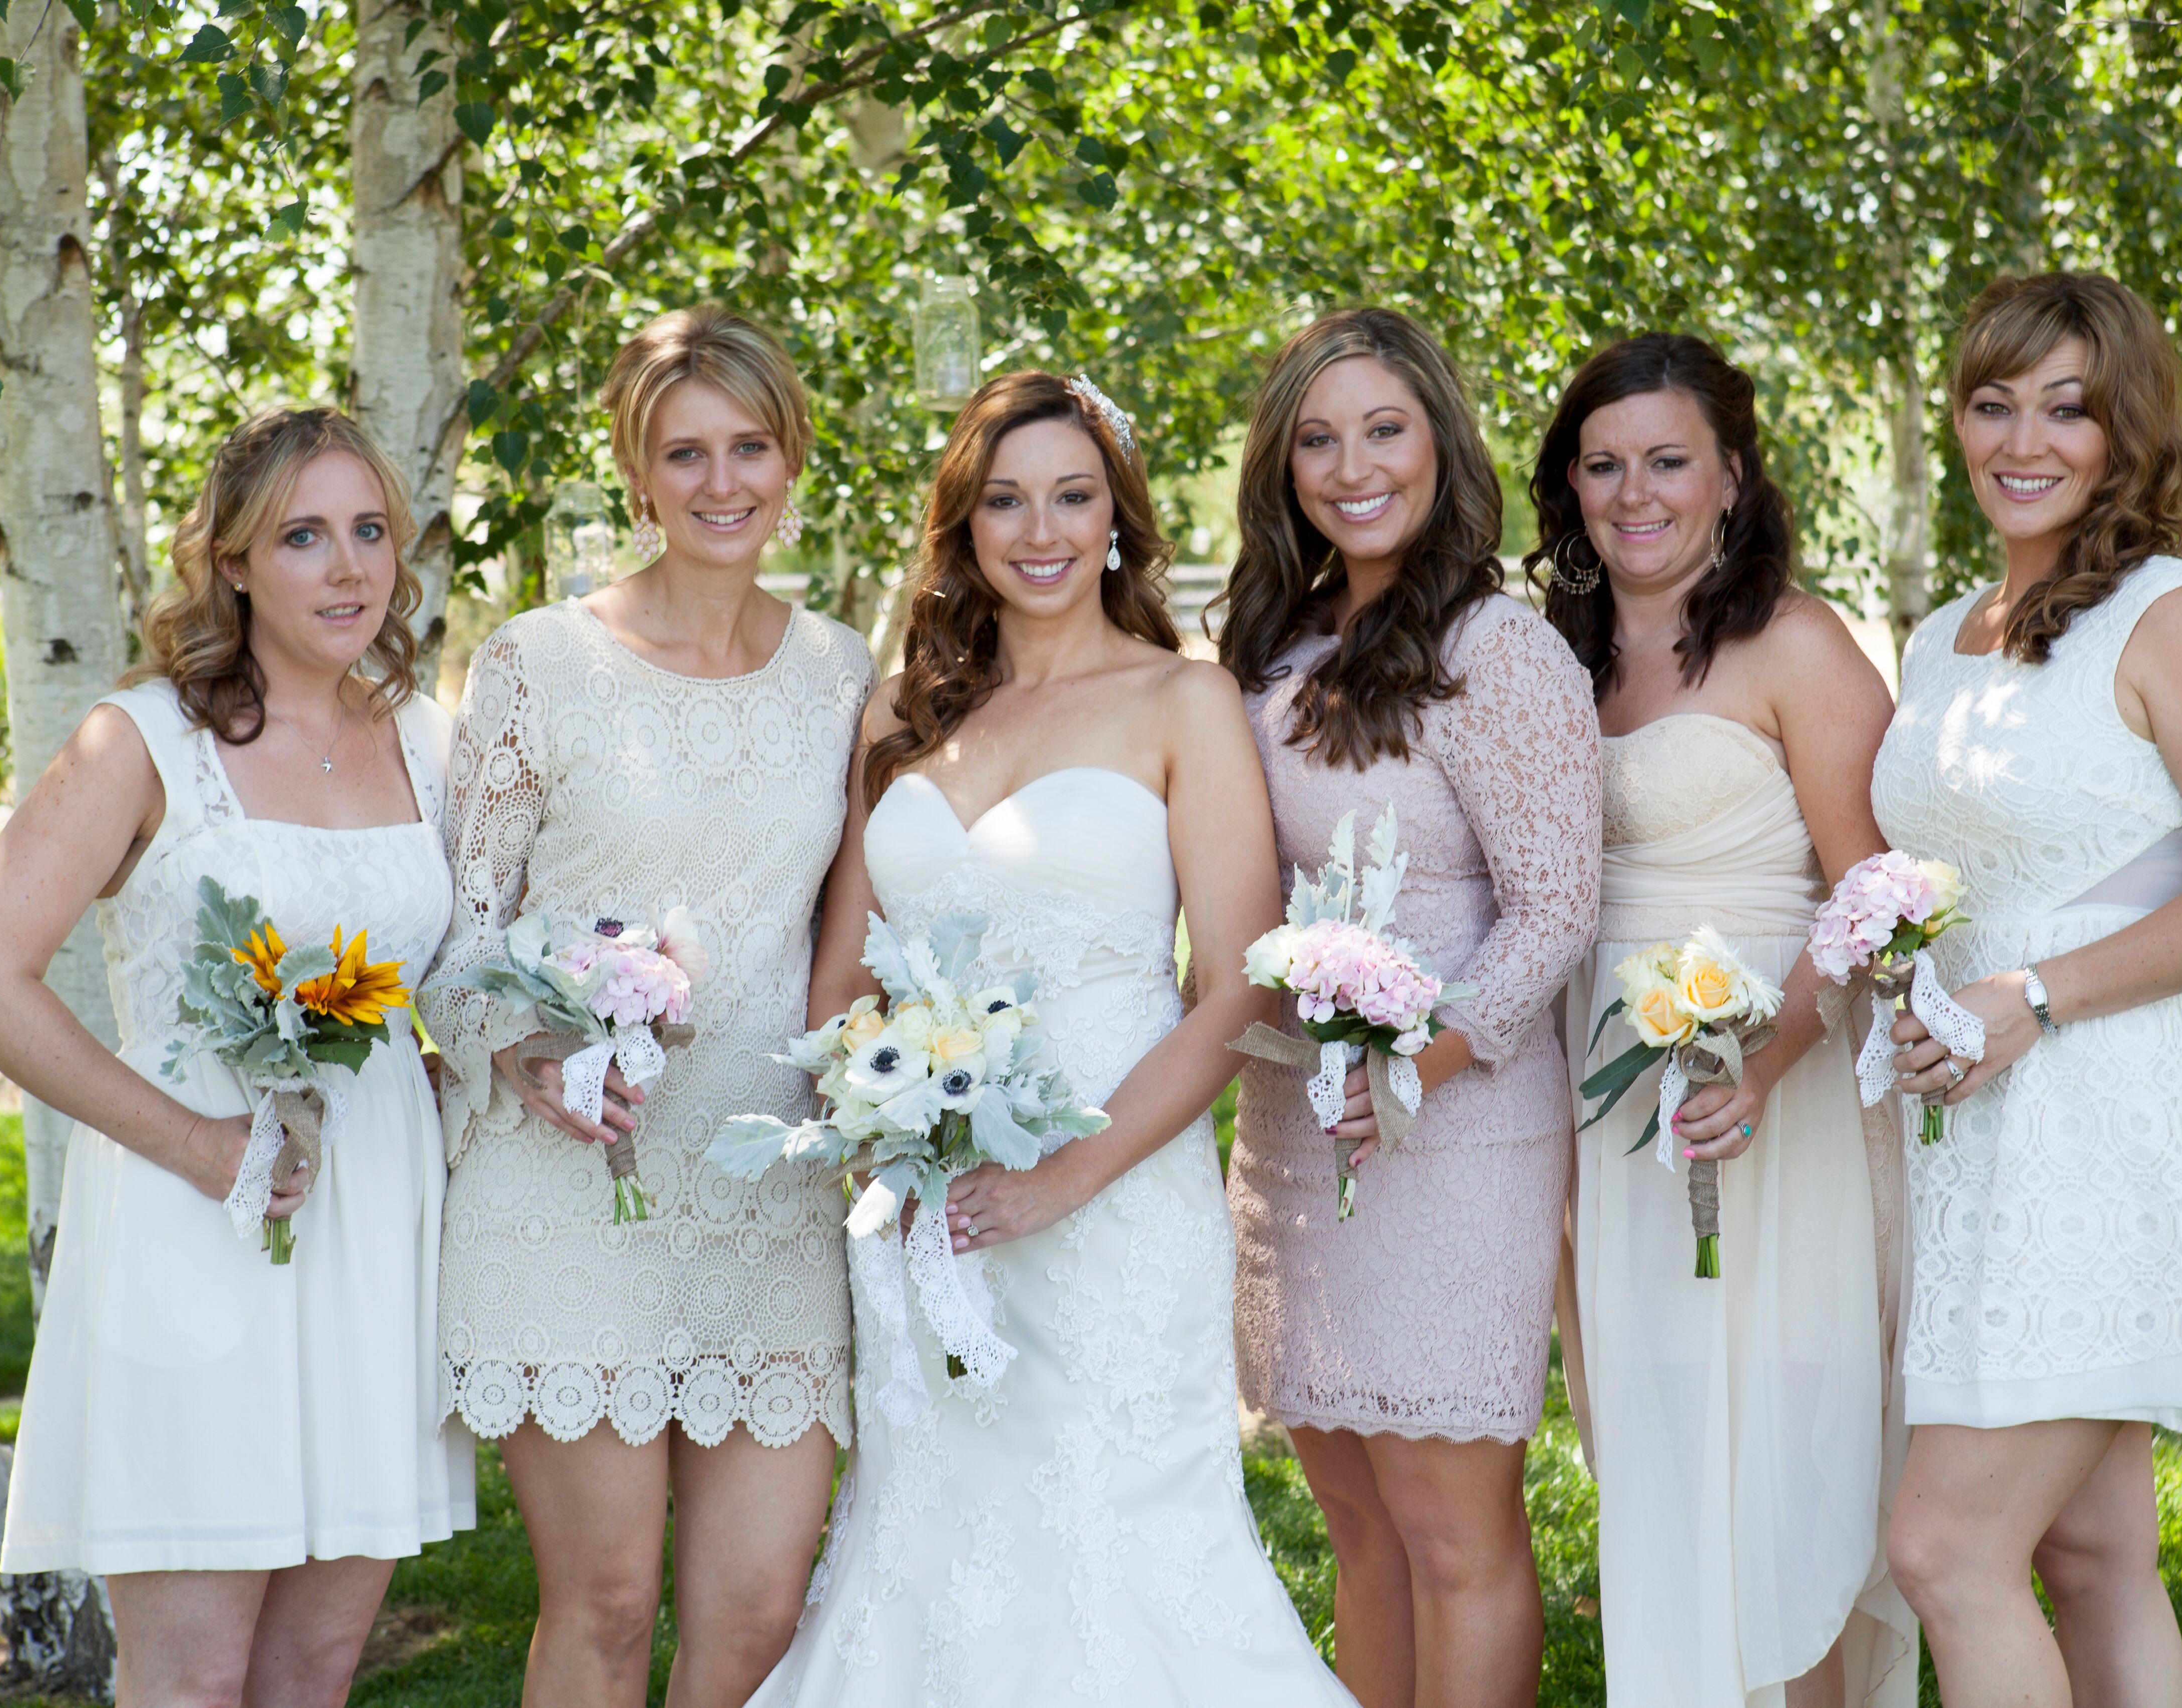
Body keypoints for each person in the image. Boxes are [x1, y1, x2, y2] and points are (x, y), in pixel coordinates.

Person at [748, 370, 1352, 1707]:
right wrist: (881, 1142)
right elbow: (841, 977)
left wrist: (1064, 1178)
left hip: (1115, 1206)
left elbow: (1238, 986)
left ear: (1119, 519)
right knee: (937, 1536)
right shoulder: (905, 711)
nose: (1041, 531)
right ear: (963, 528)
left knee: (1121, 1550)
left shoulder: (1181, 703)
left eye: (1073, 497)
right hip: (927, 1208)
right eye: (1006, 502)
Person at [0, 407, 471, 1705]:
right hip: (199, 1226)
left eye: (369, 533)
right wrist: (199, 1146)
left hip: (375, 1239)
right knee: (195, 1682)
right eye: (302, 537)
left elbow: (457, 974)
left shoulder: (426, 742)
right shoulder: (144, 740)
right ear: (231, 562)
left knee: (313, 1674)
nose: (348, 570)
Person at [1871, 272, 2182, 1708]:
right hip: (1968, 1136)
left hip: (2097, 1122)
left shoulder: (2175, 617)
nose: (2024, 439)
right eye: (1992, 401)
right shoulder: (1945, 633)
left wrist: (2034, 998)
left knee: (1945, 1550)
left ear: (2127, 429)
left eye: (2067, 408)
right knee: (2092, 1551)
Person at [417, 305, 872, 1708]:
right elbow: (455, 931)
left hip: (769, 1194)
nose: (722, 483)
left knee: (755, 1622)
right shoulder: (540, 664)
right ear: (637, 473)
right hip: (570, 1186)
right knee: (605, 1610)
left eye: (749, 447)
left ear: (792, 457)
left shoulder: (846, 675)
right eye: (686, 454)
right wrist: (527, 1046)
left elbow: (848, 938)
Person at [1217, 306, 1601, 1708]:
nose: (1352, 466)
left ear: (1440, 437)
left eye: (1384, 429)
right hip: (1292, 1131)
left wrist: (1413, 1071)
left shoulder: (1497, 652)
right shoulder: (1272, 645)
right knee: (1359, 1528)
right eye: (1317, 439)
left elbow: (1555, 909)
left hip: (1454, 1134)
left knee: (1454, 1532)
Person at [1537, 333, 1917, 1707]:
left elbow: (1880, 898)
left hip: (1782, 1100)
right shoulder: (1556, 657)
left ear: (1733, 478)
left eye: (1669, 462)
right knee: (1662, 1444)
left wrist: (1767, 1062)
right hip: (1617, 1101)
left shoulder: (1796, 642)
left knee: (1785, 1457)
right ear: (1571, 487)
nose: (1636, 493)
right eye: (1604, 465)